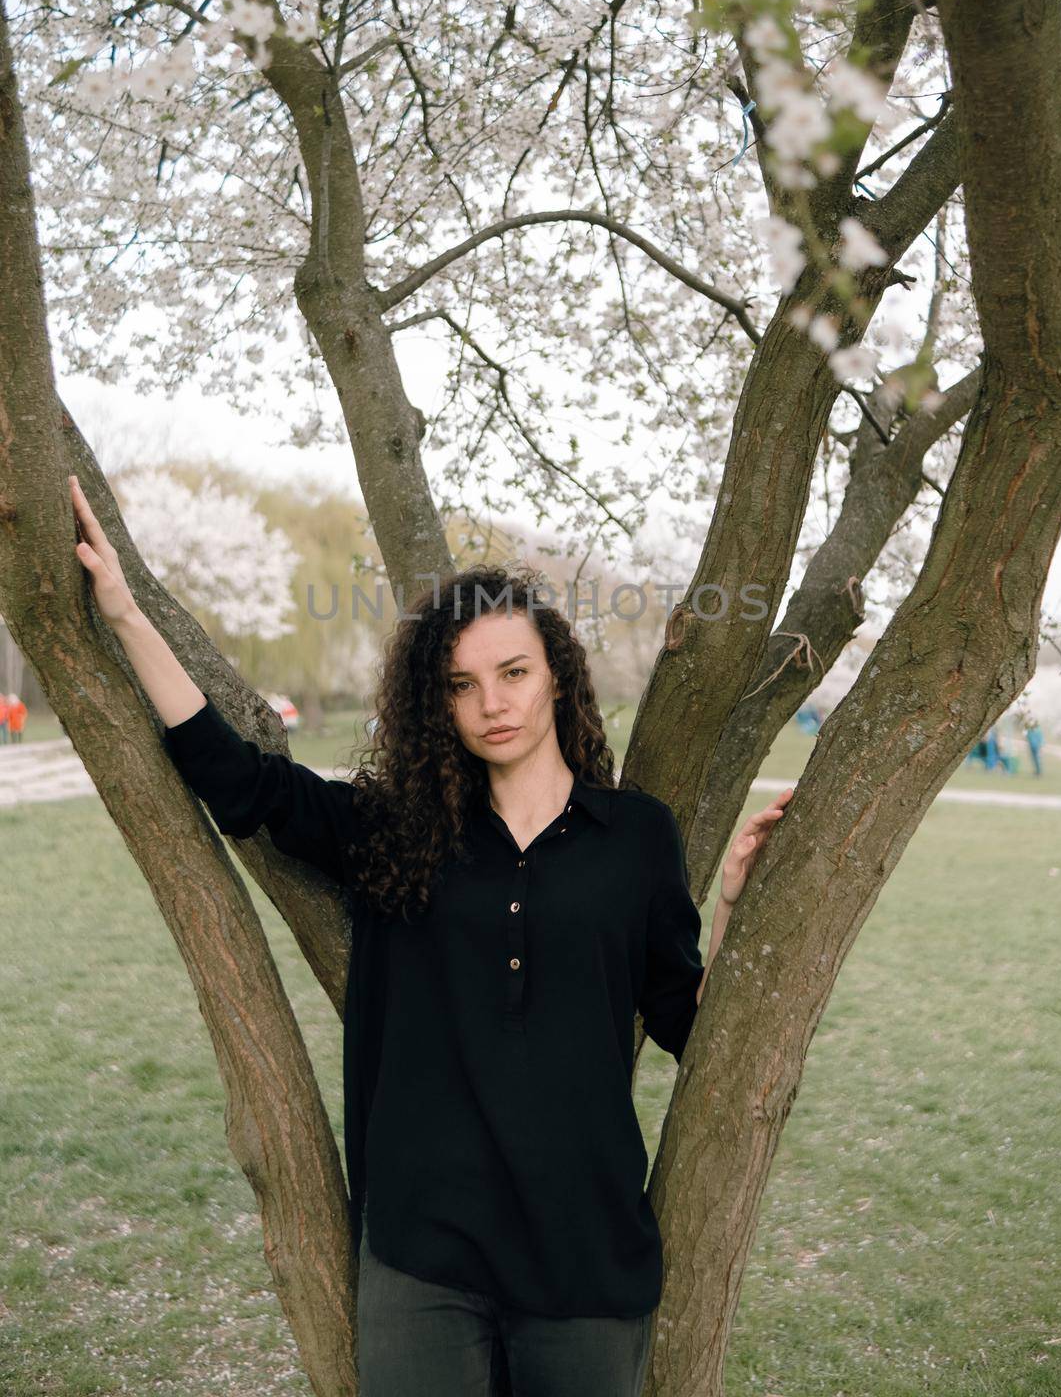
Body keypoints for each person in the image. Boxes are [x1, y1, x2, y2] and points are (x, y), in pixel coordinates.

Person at [69, 472, 792, 1397]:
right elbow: (240, 782)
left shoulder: (637, 836)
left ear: (557, 677)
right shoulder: (399, 832)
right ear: (438, 706)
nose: (492, 702)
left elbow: (690, 1026)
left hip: (585, 1251)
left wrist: (726, 903)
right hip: (423, 1253)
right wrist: (126, 612)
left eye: (513, 672)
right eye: (462, 685)